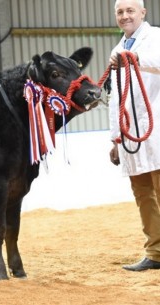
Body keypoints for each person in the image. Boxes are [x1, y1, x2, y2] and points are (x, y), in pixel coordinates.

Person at [108, 0, 160, 271]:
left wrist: (138, 59)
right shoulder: (118, 49)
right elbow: (115, 95)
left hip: (156, 131)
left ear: (143, 12)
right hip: (131, 138)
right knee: (143, 195)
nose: (125, 16)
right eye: (120, 12)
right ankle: (155, 252)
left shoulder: (157, 38)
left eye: (130, 11)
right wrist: (115, 138)